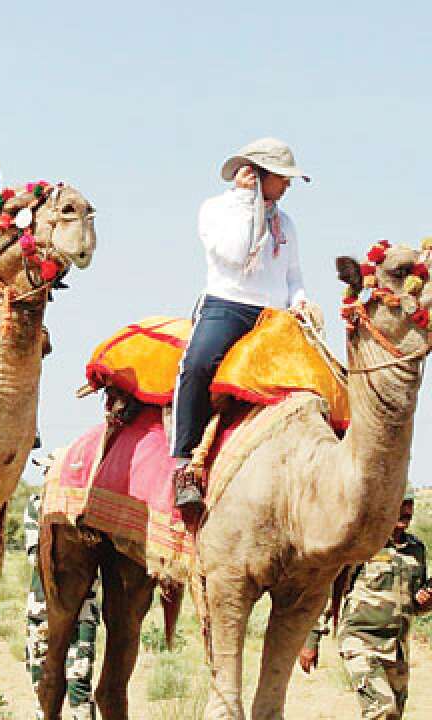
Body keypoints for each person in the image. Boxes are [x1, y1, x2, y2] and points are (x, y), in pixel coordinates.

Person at [171, 138, 311, 516]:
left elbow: (293, 273)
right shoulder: (216, 209)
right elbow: (235, 254)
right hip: (227, 304)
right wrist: (247, 202)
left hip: (275, 316)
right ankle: (184, 465)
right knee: (197, 365)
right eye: (282, 178)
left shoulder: (287, 223)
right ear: (258, 174)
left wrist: (299, 302)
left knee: (321, 383)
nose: (287, 186)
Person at [300, 491, 430, 719]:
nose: (406, 511)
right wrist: (311, 639)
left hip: (397, 647)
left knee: (393, 715)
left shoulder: (416, 549)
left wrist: (425, 601)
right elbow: (332, 594)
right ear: (386, 507)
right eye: (400, 504)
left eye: (409, 505)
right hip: (361, 641)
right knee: (382, 710)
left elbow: (415, 604)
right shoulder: (365, 545)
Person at [23, 493, 99, 720]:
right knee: (42, 684)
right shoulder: (37, 503)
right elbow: (35, 556)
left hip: (83, 610)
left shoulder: (95, 505)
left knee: (80, 682)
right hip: (42, 609)